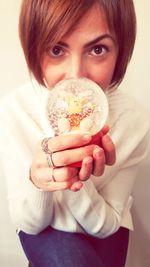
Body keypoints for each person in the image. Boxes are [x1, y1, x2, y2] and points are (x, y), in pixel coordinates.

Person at [0, 0, 149, 266]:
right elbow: (30, 224)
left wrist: (78, 180)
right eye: (57, 49)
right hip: (43, 229)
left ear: (121, 51)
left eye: (98, 49)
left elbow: (107, 224)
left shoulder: (133, 120)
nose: (76, 75)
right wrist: (40, 182)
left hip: (104, 228)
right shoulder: (15, 110)